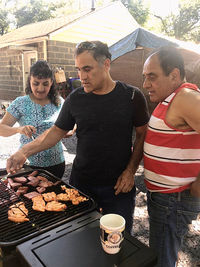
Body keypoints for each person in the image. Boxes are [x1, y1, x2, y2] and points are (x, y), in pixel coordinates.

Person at [6, 41, 149, 233]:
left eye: (87, 69)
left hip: (118, 187)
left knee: (116, 241)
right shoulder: (76, 99)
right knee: (80, 239)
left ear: (106, 64)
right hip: (81, 183)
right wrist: (23, 151)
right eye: (79, 69)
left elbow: (142, 134)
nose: (82, 76)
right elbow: (56, 132)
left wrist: (131, 170)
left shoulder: (132, 96)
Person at [142, 46, 200, 267]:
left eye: (152, 77)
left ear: (174, 75)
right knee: (161, 254)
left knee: (161, 260)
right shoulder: (172, 97)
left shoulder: (185, 96)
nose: (146, 84)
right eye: (145, 77)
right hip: (165, 200)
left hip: (173, 201)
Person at [2, 60, 67, 178]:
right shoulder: (20, 103)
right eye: (35, 83)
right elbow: (1, 128)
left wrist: (69, 130)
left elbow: (70, 126)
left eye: (45, 84)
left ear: (52, 82)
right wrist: (19, 129)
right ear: (29, 82)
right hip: (29, 165)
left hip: (57, 164)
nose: (40, 88)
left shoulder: (60, 102)